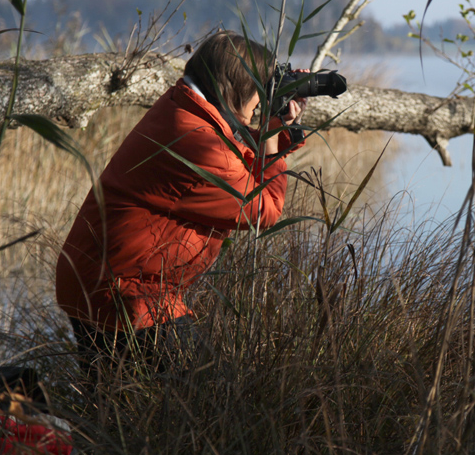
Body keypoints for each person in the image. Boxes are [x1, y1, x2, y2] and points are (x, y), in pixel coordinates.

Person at [55, 31, 305, 373]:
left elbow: (235, 160)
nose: (260, 101)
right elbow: (264, 209)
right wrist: (273, 133)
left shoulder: (182, 107)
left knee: (117, 410)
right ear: (239, 86)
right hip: (126, 292)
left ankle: (38, 417)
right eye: (259, 90)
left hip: (104, 279)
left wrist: (275, 125)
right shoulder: (196, 140)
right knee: (208, 398)